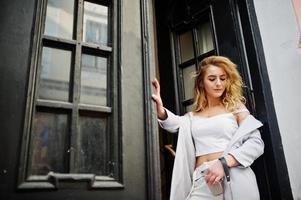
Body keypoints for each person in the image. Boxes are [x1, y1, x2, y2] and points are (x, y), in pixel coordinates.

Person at [152, 56, 264, 200]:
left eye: (223, 79)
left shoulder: (236, 109)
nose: (218, 83)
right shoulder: (192, 117)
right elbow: (173, 123)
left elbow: (256, 143)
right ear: (201, 83)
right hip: (202, 180)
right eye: (212, 79)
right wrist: (160, 109)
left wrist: (224, 162)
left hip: (232, 176)